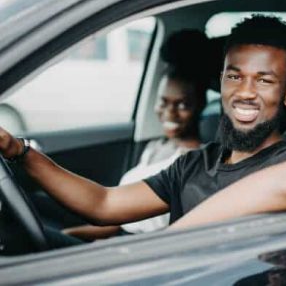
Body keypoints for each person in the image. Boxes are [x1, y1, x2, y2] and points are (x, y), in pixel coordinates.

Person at [0, 15, 286, 241]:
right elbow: (103, 204)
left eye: (264, 80)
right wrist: (20, 152)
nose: (245, 92)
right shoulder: (197, 162)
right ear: (221, 82)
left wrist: (164, 246)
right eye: (235, 76)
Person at [62, 66, 206, 240]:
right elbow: (120, 220)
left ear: (200, 105)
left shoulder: (194, 165)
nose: (169, 113)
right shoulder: (155, 147)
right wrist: (69, 235)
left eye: (182, 104)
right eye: (163, 102)